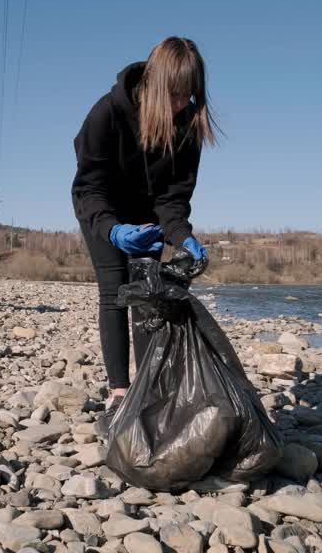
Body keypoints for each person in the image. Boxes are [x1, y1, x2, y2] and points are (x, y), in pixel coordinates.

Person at [71, 36, 218, 426]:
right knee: (115, 291)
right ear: (154, 87)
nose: (182, 103)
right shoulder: (106, 114)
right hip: (103, 209)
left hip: (147, 214)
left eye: (190, 95)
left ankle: (148, 387)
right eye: (175, 94)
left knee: (147, 295)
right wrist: (113, 230)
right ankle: (119, 391)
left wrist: (181, 234)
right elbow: (89, 187)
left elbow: (172, 197)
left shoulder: (188, 127)